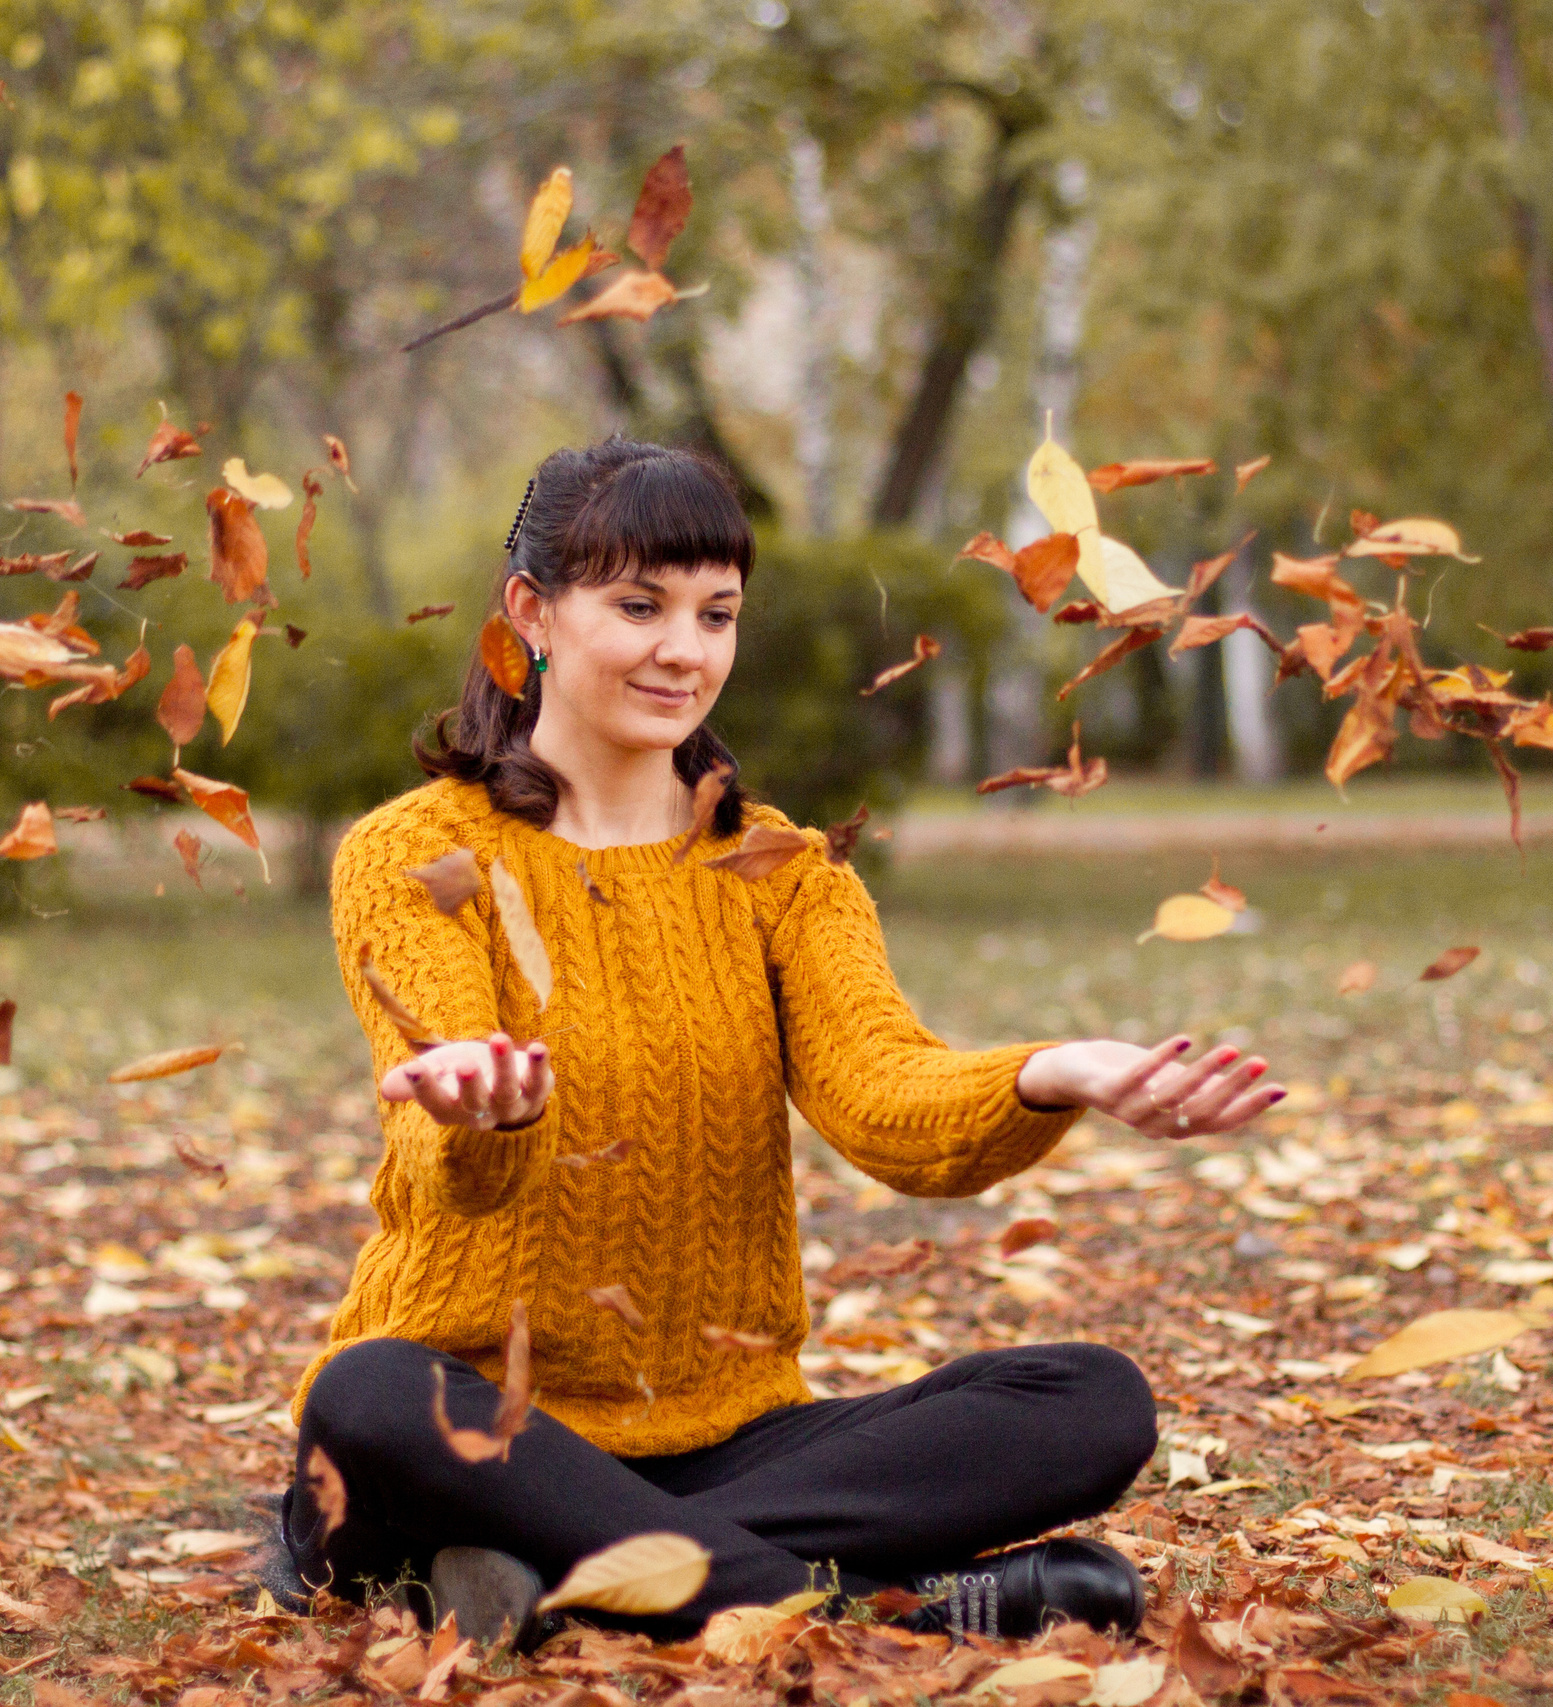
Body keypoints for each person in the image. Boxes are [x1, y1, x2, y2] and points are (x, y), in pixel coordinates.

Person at [276, 437, 1285, 1649]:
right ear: (530, 612)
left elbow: (884, 1102)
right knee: (370, 1392)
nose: (684, 651)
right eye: (638, 606)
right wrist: (483, 1116)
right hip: (474, 1433)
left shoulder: (782, 872)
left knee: (1087, 1401)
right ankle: (862, 1606)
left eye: (716, 614)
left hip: (726, 1443)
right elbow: (441, 1132)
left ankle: (579, 1578)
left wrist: (1045, 1073)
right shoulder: (415, 855)